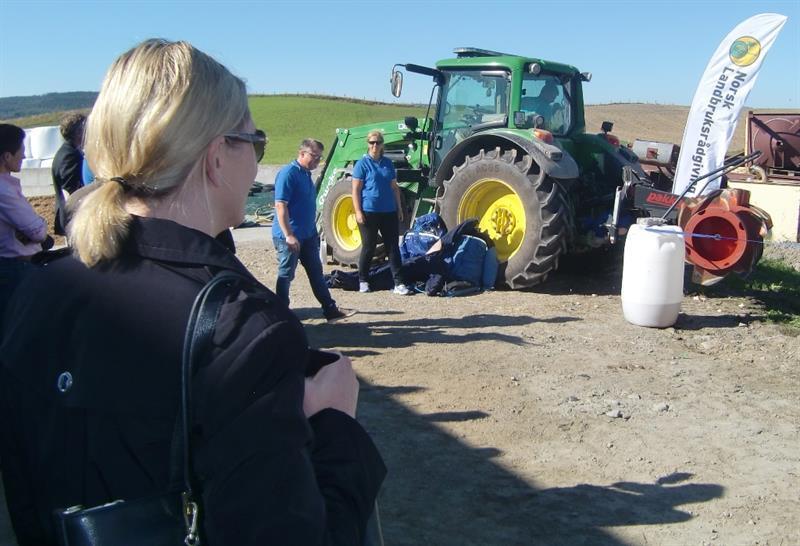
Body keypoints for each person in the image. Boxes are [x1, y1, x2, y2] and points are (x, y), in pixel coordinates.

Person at [0, 39, 385, 546]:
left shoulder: (35, 293)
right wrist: (335, 423)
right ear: (215, 158)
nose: (256, 160)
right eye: (255, 139)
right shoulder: (243, 330)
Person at [273, 139, 356, 322]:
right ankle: (280, 314)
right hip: (290, 236)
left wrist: (313, 231)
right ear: (302, 153)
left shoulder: (305, 174)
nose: (317, 161)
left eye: (319, 157)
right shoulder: (289, 174)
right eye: (314, 156)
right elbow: (280, 206)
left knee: (316, 273)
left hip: (308, 235)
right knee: (286, 274)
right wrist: (288, 235)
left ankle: (330, 309)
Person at [0, 124, 49, 332]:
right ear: (7, 156)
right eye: (21, 150)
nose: (24, 154)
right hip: (15, 267)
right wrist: (40, 224)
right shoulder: (4, 190)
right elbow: (37, 232)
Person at [351, 130, 409, 294]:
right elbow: (355, 189)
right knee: (369, 247)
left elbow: (394, 187)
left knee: (392, 247)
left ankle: (399, 283)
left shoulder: (387, 163)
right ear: (368, 144)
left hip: (388, 211)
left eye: (377, 142)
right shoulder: (362, 164)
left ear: (382, 144)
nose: (375, 145)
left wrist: (399, 207)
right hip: (369, 211)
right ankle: (363, 280)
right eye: (372, 143)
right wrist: (358, 211)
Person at [51, 113, 87, 234]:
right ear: (78, 132)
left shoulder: (66, 151)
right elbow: (72, 190)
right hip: (74, 217)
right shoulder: (70, 155)